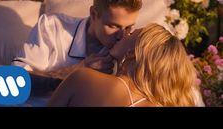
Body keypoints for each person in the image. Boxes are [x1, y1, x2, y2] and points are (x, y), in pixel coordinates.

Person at [12, 0, 142, 79]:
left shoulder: (131, 45)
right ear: (93, 14)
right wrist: (77, 71)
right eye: (113, 26)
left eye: (128, 28)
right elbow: (13, 81)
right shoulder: (52, 27)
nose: (121, 36)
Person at [47, 23, 204, 107]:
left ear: (133, 53)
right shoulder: (160, 103)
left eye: (131, 34)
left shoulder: (82, 77)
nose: (123, 33)